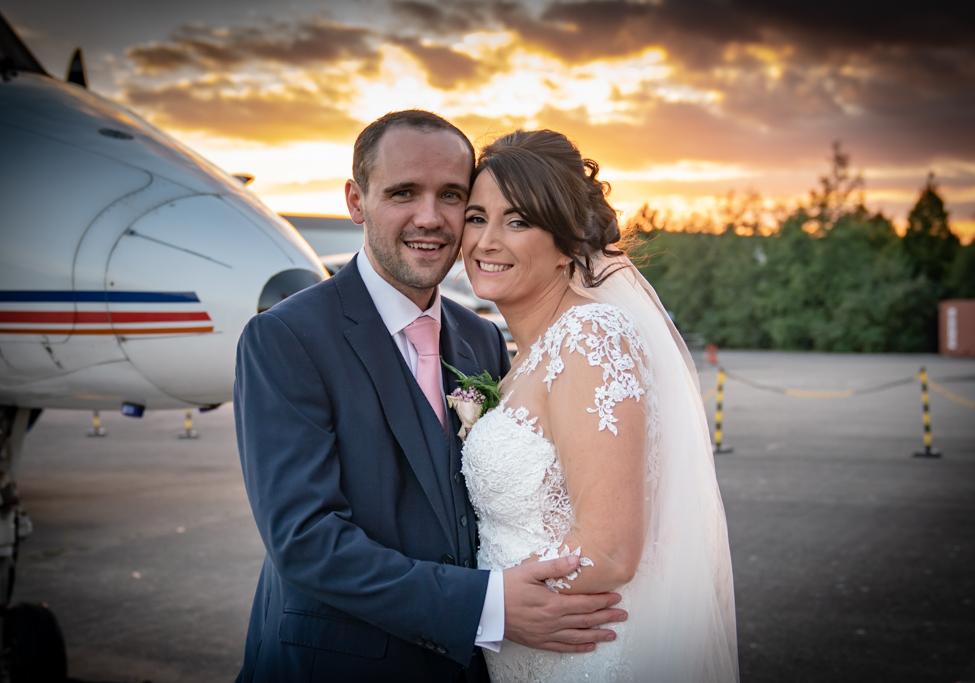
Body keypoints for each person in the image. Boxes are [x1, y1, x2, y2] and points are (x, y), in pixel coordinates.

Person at [233, 111, 627, 683]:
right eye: (403, 193)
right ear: (355, 200)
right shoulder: (285, 338)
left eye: (452, 197)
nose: (430, 218)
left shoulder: (481, 338)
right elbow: (305, 539)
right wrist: (485, 606)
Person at [459, 129, 740, 682]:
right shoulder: (523, 356)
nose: (486, 241)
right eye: (476, 217)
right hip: (523, 653)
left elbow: (609, 551)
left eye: (517, 222)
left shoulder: (589, 338)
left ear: (568, 243)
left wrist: (486, 604)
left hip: (581, 658)